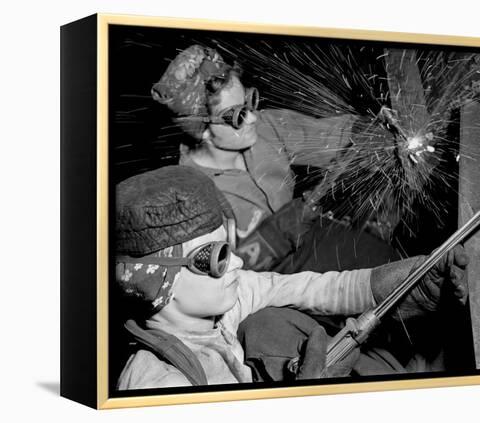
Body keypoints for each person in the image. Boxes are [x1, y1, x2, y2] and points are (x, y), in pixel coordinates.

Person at [114, 165, 468, 389]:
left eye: (230, 246)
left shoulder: (223, 309)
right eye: (218, 257)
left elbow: (311, 288)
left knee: (268, 325)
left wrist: (411, 283)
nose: (237, 262)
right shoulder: (158, 382)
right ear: (158, 284)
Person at [151, 44, 400, 275]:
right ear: (202, 130)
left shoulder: (265, 128)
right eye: (236, 116)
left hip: (307, 249)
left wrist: (372, 129)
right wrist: (272, 235)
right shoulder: (188, 196)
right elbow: (215, 283)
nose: (252, 119)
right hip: (258, 294)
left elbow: (327, 137)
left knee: (384, 262)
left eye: (249, 102)